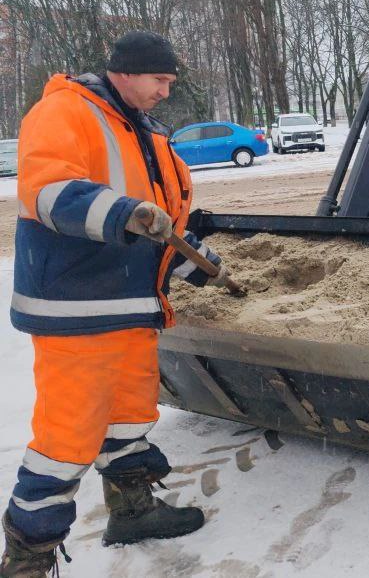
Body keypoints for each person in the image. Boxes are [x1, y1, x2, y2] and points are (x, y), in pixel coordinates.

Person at [1, 31, 231, 577]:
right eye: (160, 80)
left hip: (129, 308)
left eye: (171, 83)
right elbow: (48, 191)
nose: (164, 92)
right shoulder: (65, 111)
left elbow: (158, 226)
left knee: (128, 418)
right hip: (77, 310)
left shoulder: (145, 132)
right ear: (126, 71)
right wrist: (123, 211)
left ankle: (132, 511)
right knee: (67, 438)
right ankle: (27, 557)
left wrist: (195, 260)